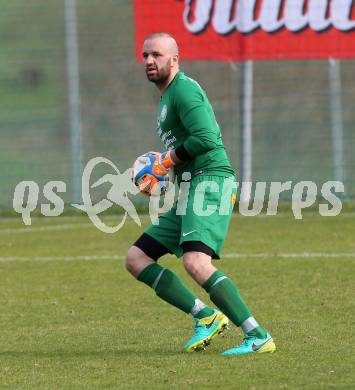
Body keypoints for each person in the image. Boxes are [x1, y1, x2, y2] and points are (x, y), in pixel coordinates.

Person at [126, 32, 276, 355]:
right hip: (190, 187)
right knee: (137, 258)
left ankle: (258, 336)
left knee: (196, 261)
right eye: (145, 55)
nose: (150, 61)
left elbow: (207, 139)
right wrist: (163, 169)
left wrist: (165, 161)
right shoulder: (166, 99)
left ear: (174, 59)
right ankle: (205, 316)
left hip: (211, 182)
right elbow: (184, 148)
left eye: (157, 55)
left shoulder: (183, 90)